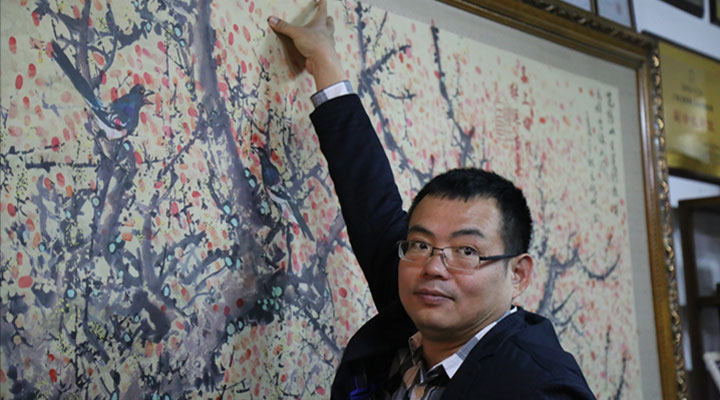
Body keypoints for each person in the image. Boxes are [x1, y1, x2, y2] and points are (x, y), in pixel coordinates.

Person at [267, 1, 595, 398]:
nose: (434, 267)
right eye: (421, 244)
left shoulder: (541, 388)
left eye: (467, 251)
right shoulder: (416, 304)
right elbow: (368, 195)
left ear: (518, 274)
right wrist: (323, 58)